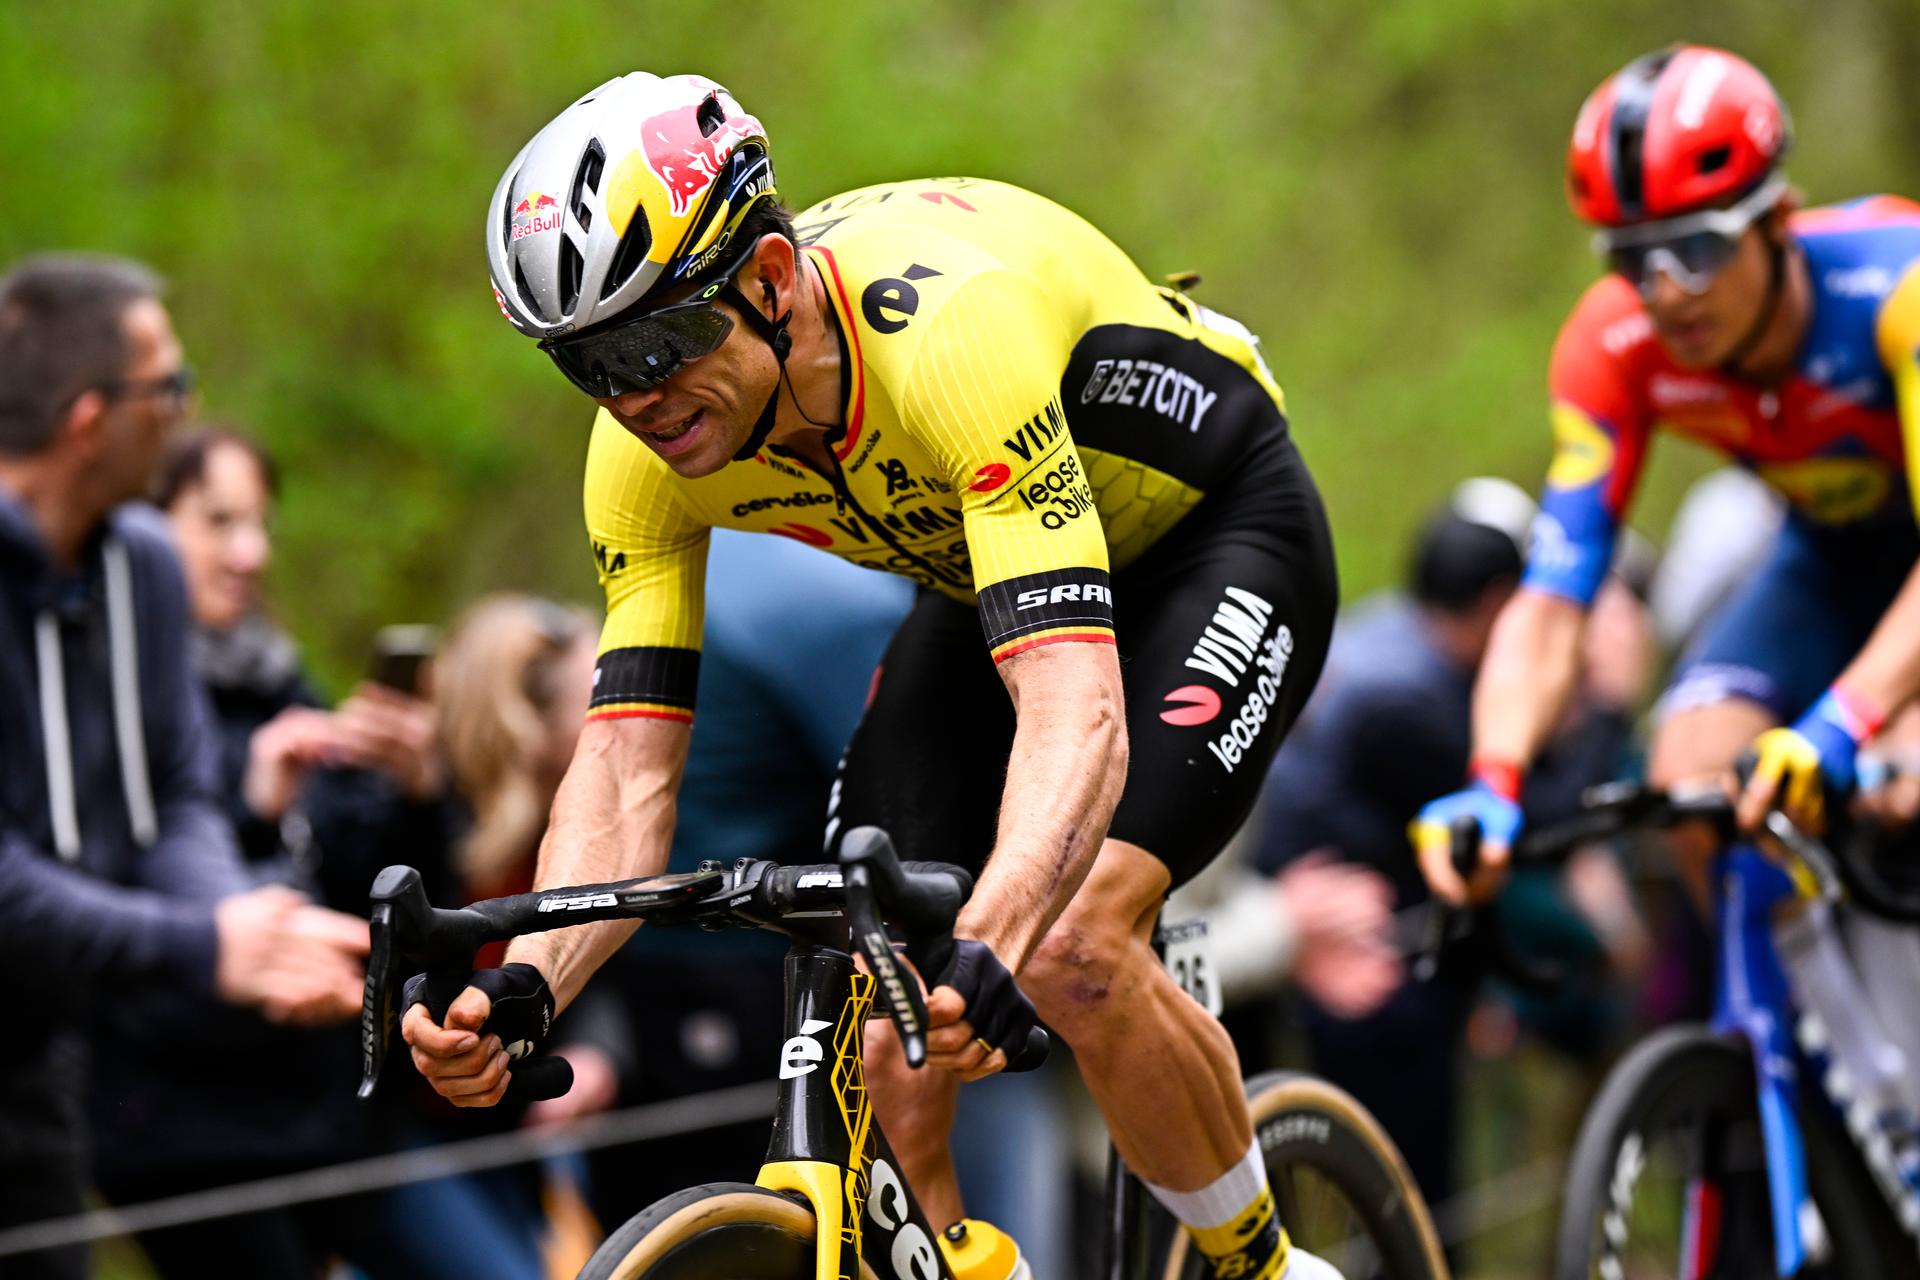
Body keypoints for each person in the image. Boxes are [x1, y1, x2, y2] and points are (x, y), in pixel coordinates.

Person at [407, 73, 1341, 1280]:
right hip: (979, 573)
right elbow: (630, 765)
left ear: (774, 279)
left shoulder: (950, 343)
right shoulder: (641, 460)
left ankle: (1269, 1266)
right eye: (585, 362)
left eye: (656, 339)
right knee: (880, 974)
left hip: (1211, 537)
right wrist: (531, 983)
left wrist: (1000, 936)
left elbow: (1073, 702)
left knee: (1065, 941)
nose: (634, 396)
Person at [1413, 46, 1920, 912]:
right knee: (1687, 785)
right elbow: (1553, 599)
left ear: (1777, 219)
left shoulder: (1897, 286)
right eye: (1631, 259)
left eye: (1697, 248)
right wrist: (1494, 777)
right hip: (1831, 558)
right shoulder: (1615, 347)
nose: (1668, 294)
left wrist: (1846, 720)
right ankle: (1795, 1032)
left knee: (1900, 782)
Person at [0, 256, 365, 1277]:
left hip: (40, 1062)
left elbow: (176, 796)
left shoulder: (143, 568)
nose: (182, 407)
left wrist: (251, 929)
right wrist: (204, 941)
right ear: (88, 418)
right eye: (167, 384)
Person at [1257, 479, 1651, 1209]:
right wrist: (1611, 709)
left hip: (1360, 937)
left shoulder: (1386, 638)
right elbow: (1534, 829)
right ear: (1502, 600)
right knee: (1409, 1207)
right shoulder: (1407, 706)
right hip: (1371, 972)